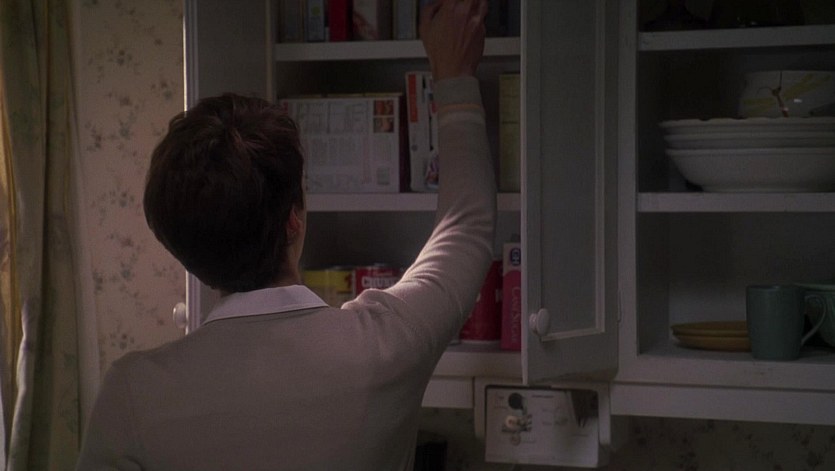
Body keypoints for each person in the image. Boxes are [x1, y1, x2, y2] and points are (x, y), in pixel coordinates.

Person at [76, 0, 494, 469]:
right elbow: (466, 226)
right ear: (293, 219)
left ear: (183, 250)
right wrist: (455, 76)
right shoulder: (387, 344)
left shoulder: (133, 394)